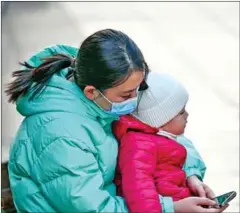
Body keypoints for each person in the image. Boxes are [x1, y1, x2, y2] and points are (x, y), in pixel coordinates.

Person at [5, 28, 224, 213]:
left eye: (139, 90)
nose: (135, 100)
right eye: (127, 95)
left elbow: (165, 136)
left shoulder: (111, 95)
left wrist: (191, 175)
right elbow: (93, 207)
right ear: (92, 92)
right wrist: (171, 208)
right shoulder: (61, 135)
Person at [113, 72, 229, 213]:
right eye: (181, 112)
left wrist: (192, 181)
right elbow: (139, 189)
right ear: (161, 119)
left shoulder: (160, 138)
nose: (187, 115)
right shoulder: (138, 144)